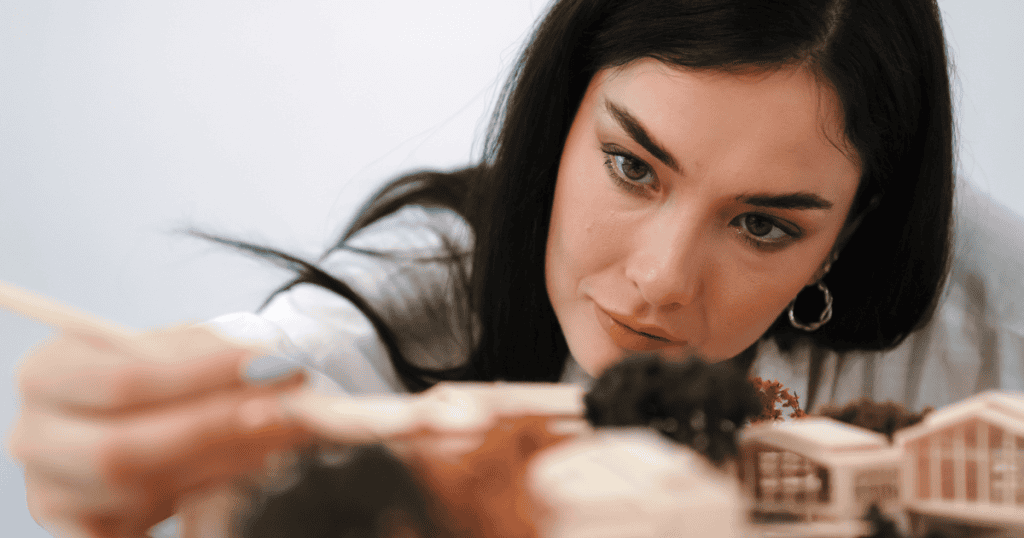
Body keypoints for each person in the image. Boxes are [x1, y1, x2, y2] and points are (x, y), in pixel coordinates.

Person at [8, 0, 1022, 537]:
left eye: (762, 226)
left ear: (852, 230)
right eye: (631, 166)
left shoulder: (993, 322)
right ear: (563, 112)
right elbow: (291, 370)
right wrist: (134, 442)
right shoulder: (431, 287)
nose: (662, 279)